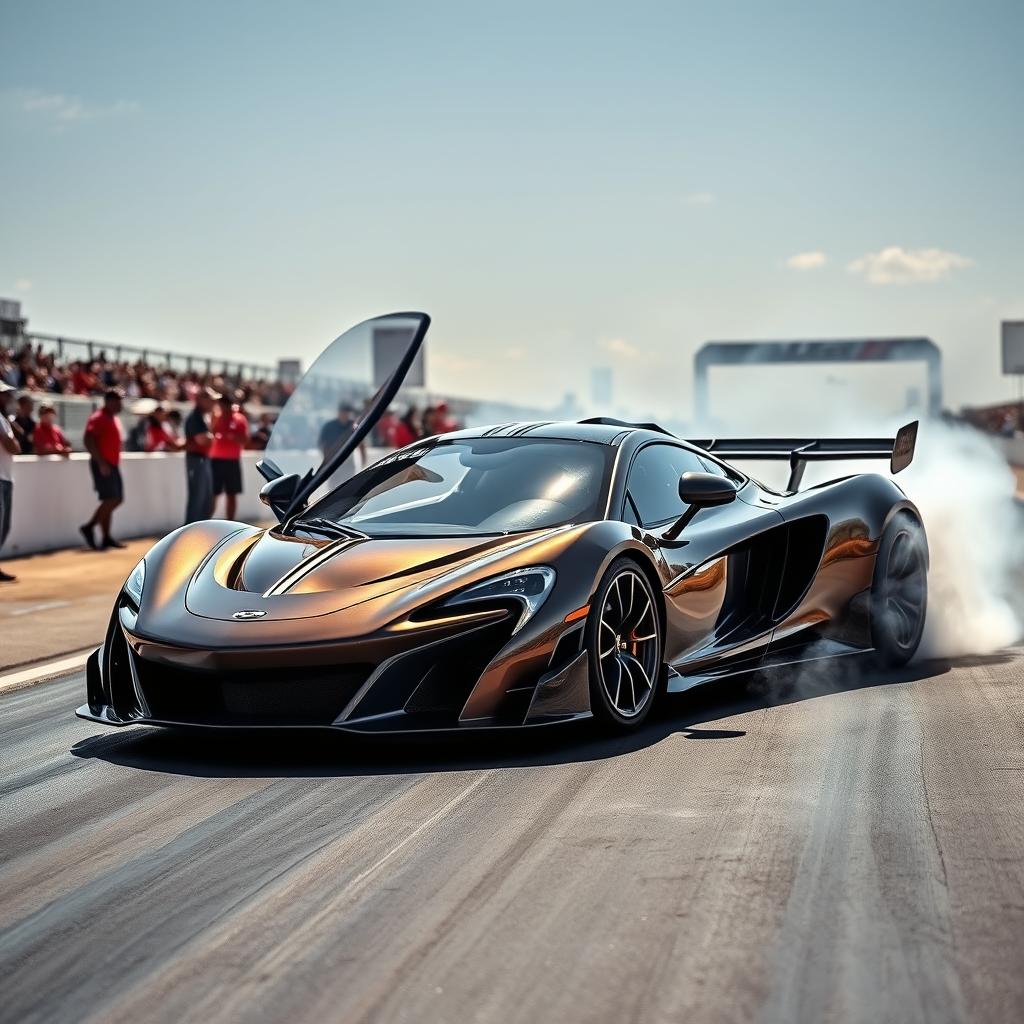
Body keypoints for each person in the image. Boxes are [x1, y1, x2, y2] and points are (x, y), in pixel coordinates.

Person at [80, 389, 126, 549]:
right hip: (104, 464)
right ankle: (89, 527)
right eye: (118, 401)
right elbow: (88, 439)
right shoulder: (98, 417)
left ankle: (106, 536)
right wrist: (101, 462)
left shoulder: (111, 418)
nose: (121, 404)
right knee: (113, 499)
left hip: (111, 464)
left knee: (112, 499)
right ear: (109, 401)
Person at [210, 394, 249, 521]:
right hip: (216, 460)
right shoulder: (216, 417)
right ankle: (206, 520)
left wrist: (231, 437)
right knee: (213, 492)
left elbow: (245, 439)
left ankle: (230, 521)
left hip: (232, 460)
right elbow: (211, 433)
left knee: (231, 493)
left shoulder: (239, 419)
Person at [184, 387, 218, 524]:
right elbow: (203, 440)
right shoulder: (195, 417)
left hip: (202, 459)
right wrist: (212, 436)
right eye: (210, 400)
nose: (212, 403)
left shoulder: (202, 417)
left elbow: (207, 439)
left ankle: (200, 530)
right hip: (196, 460)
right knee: (198, 499)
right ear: (200, 400)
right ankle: (191, 530)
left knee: (205, 500)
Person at [0, 383, 20, 581]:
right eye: (4, 394)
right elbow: (12, 445)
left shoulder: (3, 419)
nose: (7, 398)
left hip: (5, 477)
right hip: (1, 478)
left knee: (4, 526)